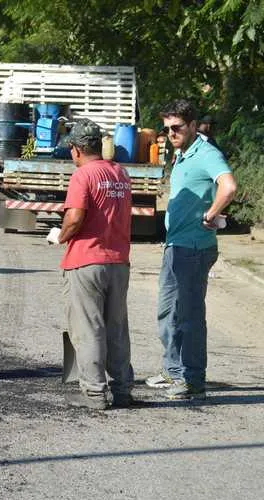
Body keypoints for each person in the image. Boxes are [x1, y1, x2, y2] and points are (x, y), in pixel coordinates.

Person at [146, 100, 237, 400]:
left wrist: (211, 215)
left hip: (195, 249)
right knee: (167, 312)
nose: (171, 133)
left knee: (189, 315)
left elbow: (228, 186)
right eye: (167, 128)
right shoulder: (182, 155)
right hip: (176, 245)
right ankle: (174, 371)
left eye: (177, 128)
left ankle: (193, 379)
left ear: (193, 125)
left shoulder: (207, 154)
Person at [53, 119, 134, 410]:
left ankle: (95, 394)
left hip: (86, 261)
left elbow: (75, 217)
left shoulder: (83, 175)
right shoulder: (121, 174)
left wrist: (60, 237)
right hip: (118, 261)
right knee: (116, 329)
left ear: (76, 150)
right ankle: (123, 390)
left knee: (88, 329)